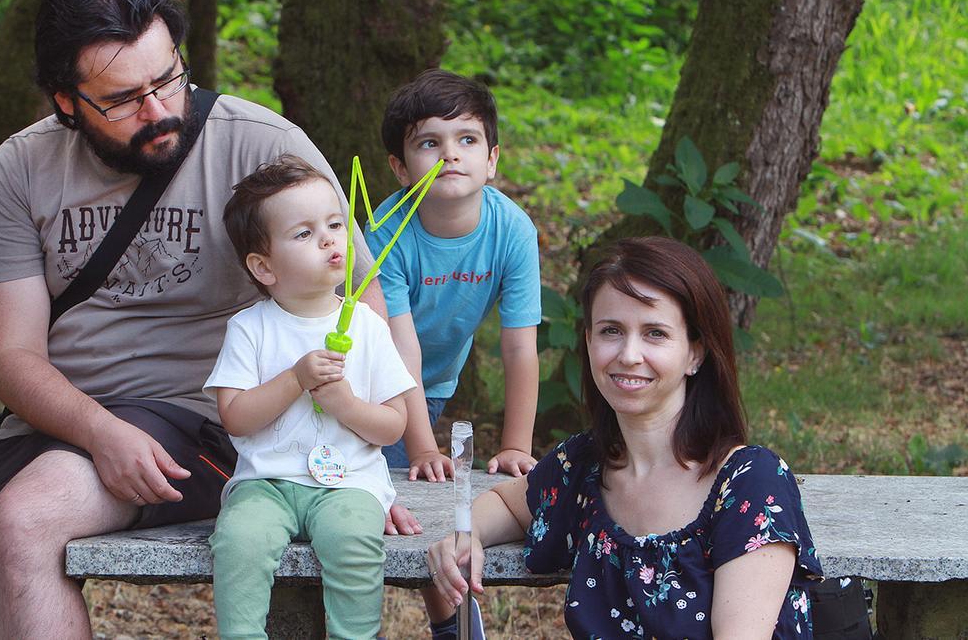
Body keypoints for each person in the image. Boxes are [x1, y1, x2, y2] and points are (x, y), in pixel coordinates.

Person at [0, 0, 415, 637]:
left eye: (168, 79)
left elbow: (365, 300)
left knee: (25, 517)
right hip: (55, 421)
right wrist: (99, 431)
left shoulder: (261, 145)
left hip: (205, 418)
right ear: (66, 101)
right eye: (124, 99)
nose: (159, 110)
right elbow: (13, 352)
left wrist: (371, 468)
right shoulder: (20, 168)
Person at [427, 236, 823, 638]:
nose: (629, 354)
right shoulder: (586, 465)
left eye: (655, 333)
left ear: (696, 353)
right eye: (611, 330)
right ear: (588, 341)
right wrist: (465, 534)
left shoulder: (751, 483)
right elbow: (508, 505)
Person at [204, 156, 414, 638]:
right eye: (303, 233)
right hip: (268, 483)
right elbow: (235, 417)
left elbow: (393, 424)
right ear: (264, 266)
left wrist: (344, 405)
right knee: (239, 538)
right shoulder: (250, 329)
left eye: (335, 224)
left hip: (349, 483)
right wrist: (295, 379)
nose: (328, 239)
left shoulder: (367, 326)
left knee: (353, 541)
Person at [367, 69, 542, 482]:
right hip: (372, 383)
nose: (451, 154)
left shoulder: (513, 230)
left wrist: (517, 446)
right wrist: (426, 448)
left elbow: (520, 347)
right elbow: (400, 347)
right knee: (386, 483)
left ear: (492, 159)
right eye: (429, 143)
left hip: (433, 384)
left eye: (467, 139)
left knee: (413, 480)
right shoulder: (385, 234)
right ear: (401, 169)